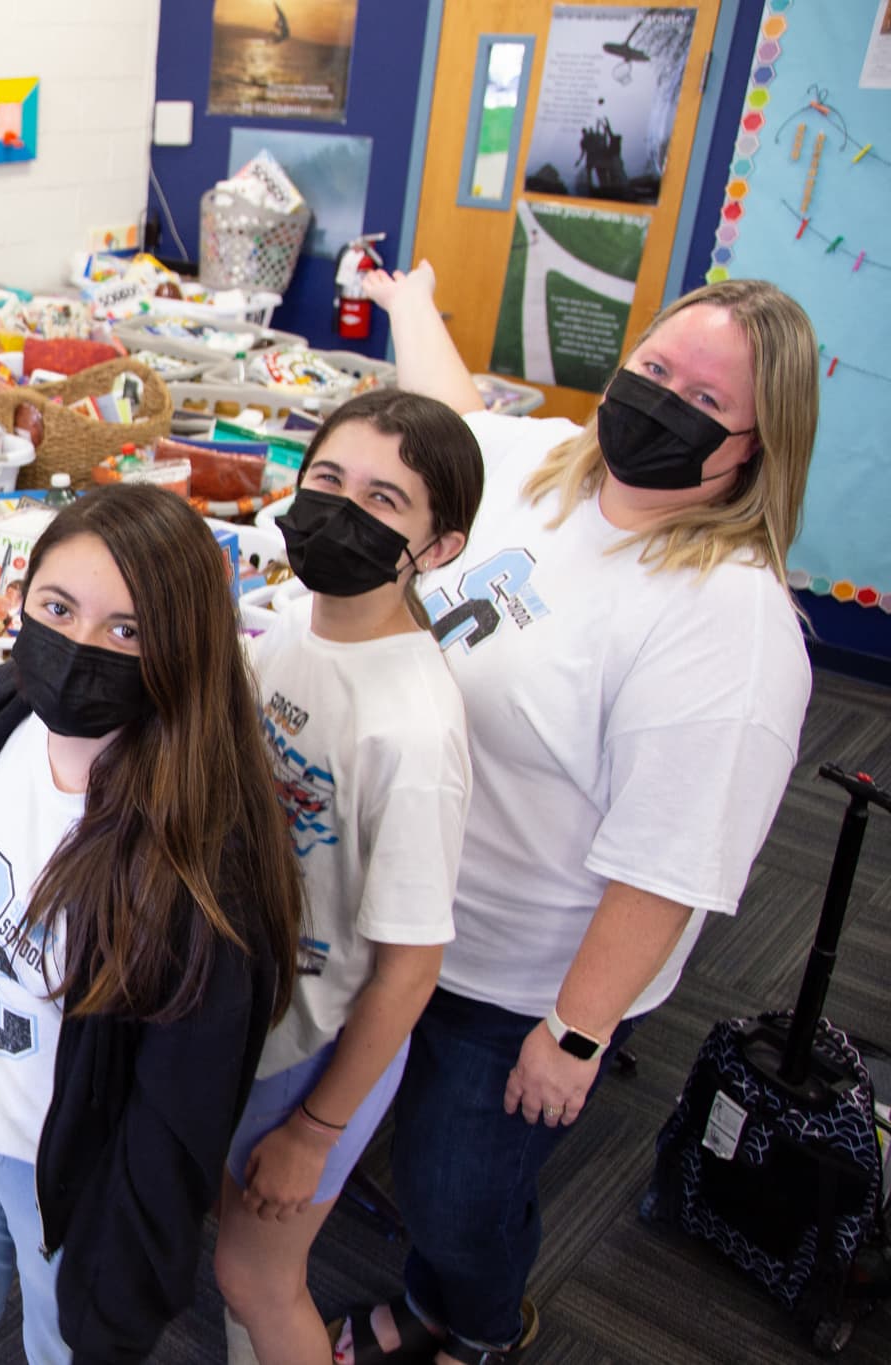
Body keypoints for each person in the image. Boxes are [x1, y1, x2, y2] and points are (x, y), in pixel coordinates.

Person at [332, 264, 816, 1365]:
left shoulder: (726, 623)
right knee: (399, 1135)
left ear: (752, 447)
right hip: (410, 906)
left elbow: (669, 864)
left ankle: (473, 1326)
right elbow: (453, 417)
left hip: (520, 976)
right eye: (655, 368)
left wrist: (575, 1034)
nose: (661, 401)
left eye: (704, 399)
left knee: (457, 1189)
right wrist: (409, 303)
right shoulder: (548, 465)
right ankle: (441, 1297)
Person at [0, 483, 305, 1364]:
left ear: (180, 647)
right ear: (21, 601)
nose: (78, 650)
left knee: (61, 1346)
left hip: (63, 1167)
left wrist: (125, 1293)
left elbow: (177, 1120)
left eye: (126, 629)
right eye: (58, 609)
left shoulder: (198, 870)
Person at [212, 390, 483, 1365]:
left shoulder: (410, 730)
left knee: (256, 1276)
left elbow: (411, 969)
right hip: (249, 1002)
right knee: (233, 1253)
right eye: (327, 479)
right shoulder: (293, 624)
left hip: (314, 1046)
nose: (341, 510)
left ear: (437, 548)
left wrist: (315, 1132)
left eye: (383, 499)